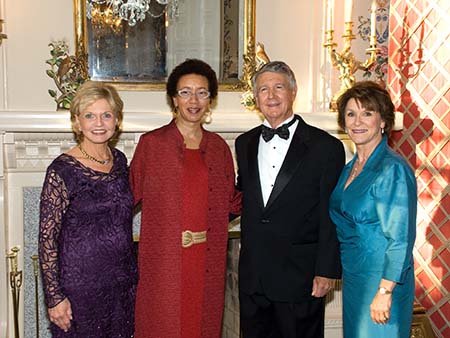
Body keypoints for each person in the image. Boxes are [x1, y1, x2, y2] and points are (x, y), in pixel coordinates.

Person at [129, 58, 241, 338]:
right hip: (164, 261)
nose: (194, 100)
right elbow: (124, 199)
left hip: (207, 260)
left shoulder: (218, 148)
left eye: (202, 92)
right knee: (163, 325)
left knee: (202, 325)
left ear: (211, 100)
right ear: (173, 99)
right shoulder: (151, 145)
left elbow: (232, 202)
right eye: (185, 92)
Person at [235, 61, 345, 338]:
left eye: (278, 87)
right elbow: (240, 198)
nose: (271, 96)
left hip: (301, 277)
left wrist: (326, 271)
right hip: (253, 276)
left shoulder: (326, 147)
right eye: (263, 89)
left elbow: (330, 213)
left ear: (293, 92)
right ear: (255, 98)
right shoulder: (244, 143)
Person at [38, 81, 138, 337]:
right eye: (90, 116)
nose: (99, 123)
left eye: (106, 115)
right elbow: (47, 239)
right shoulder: (61, 170)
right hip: (79, 289)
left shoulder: (120, 161)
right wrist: (54, 297)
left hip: (122, 285)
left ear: (117, 120)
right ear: (76, 122)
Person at [329, 81, 417, 337]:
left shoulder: (392, 169)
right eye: (351, 114)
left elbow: (400, 238)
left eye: (367, 113)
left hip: (383, 280)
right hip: (356, 278)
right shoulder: (350, 168)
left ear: (383, 121)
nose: (358, 121)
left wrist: (385, 291)